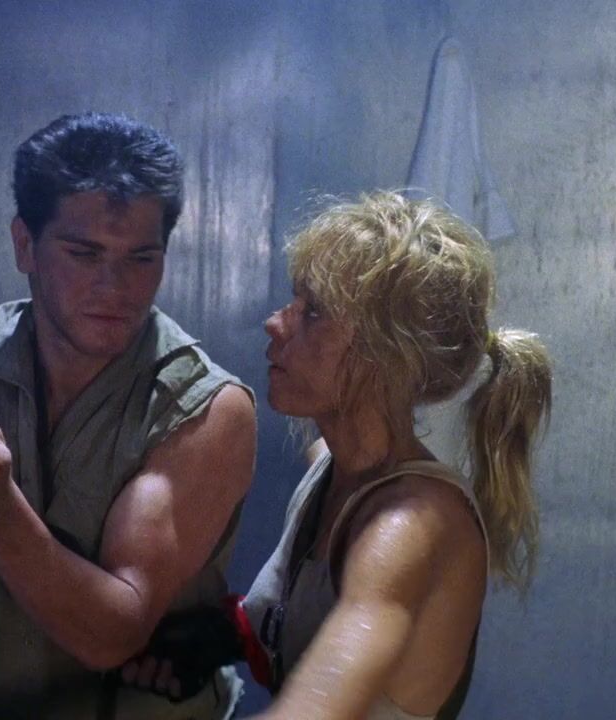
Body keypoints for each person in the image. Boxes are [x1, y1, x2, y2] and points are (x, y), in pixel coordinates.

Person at [0, 112, 256, 719]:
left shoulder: (202, 406)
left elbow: (112, 632)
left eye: (141, 258)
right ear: (25, 245)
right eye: (84, 254)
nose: (114, 286)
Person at [124, 191, 552, 719]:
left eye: (314, 312)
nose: (275, 323)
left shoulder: (407, 528)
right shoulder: (335, 466)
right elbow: (317, 608)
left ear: (386, 356)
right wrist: (232, 633)